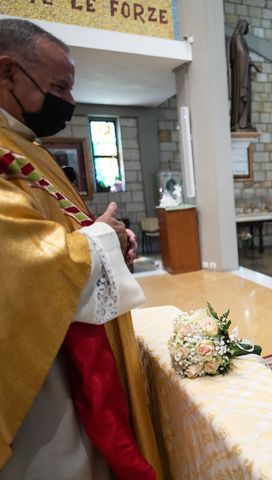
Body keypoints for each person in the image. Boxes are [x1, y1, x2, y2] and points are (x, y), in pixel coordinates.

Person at [0, 19, 160, 479]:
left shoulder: (24, 144)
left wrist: (107, 238)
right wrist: (103, 238)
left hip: (67, 329)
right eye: (59, 86)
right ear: (8, 72)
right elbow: (22, 260)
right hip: (36, 360)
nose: (69, 101)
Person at [228, 19, 260, 131]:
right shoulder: (237, 38)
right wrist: (250, 62)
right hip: (241, 76)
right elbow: (241, 55)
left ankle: (244, 122)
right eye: (247, 27)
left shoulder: (238, 38)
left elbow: (243, 55)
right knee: (242, 96)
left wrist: (250, 63)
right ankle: (240, 123)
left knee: (245, 98)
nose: (248, 29)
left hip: (243, 72)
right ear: (243, 26)